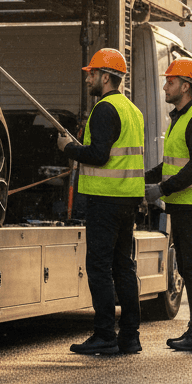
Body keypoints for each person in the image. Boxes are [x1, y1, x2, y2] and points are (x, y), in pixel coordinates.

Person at [57, 48, 145, 355]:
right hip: (126, 200)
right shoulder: (132, 111)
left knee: (99, 268)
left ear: (106, 77)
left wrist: (69, 148)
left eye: (92, 74)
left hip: (105, 201)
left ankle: (105, 334)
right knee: (123, 267)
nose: (88, 79)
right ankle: (130, 337)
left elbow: (99, 155)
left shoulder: (105, 109)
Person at [145, 58, 192, 352]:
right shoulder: (182, 118)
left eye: (171, 82)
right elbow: (171, 165)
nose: (165, 87)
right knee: (189, 268)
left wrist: (162, 189)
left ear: (186, 86)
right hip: (185, 204)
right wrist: (145, 178)